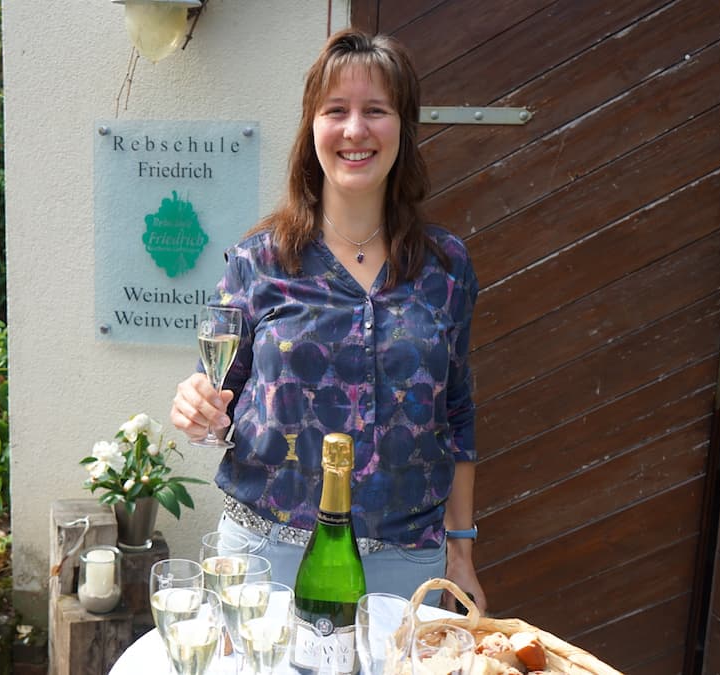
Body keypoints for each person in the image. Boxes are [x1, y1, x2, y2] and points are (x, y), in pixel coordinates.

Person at [170, 28, 488, 613]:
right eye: (335, 110)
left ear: (404, 128)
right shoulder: (260, 260)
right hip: (265, 559)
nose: (354, 130)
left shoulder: (446, 267)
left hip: (407, 563)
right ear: (312, 127)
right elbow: (215, 396)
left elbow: (458, 414)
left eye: (376, 110)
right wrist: (197, 410)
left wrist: (462, 552)